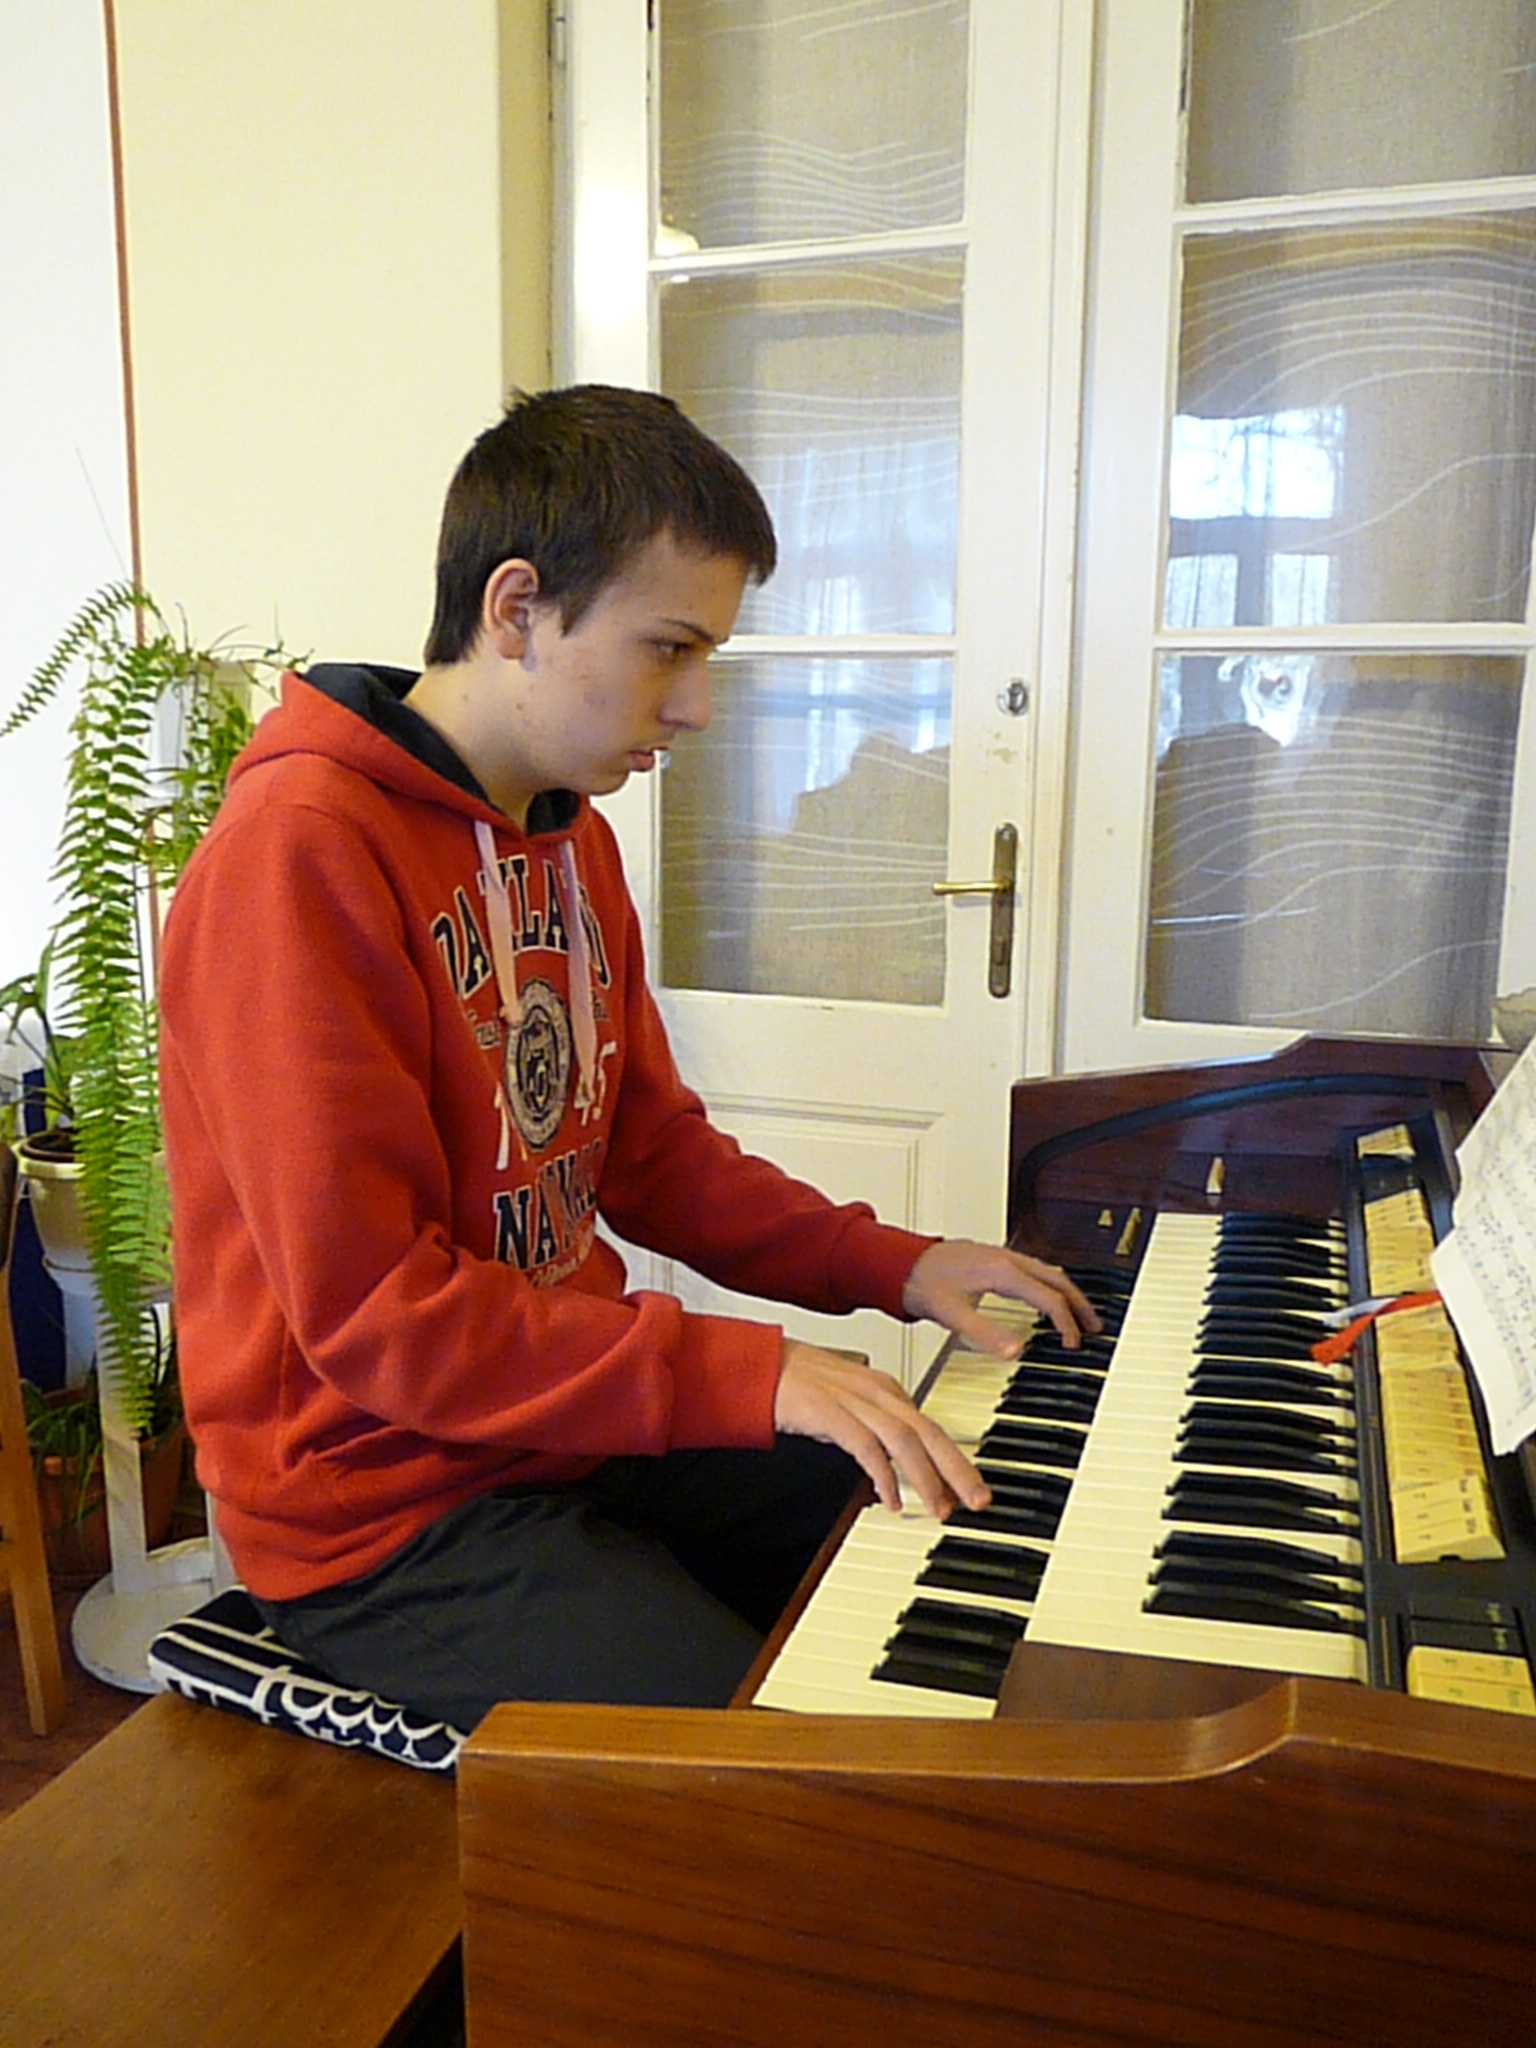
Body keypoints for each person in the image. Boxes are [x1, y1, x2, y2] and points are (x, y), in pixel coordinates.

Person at [158, 384, 1098, 1728]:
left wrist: (895, 1265)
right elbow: (379, 1318)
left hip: (562, 1429)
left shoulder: (569, 835)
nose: (697, 706)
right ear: (517, 610)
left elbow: (649, 1155)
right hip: (383, 1513)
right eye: (670, 649)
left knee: (959, 1518)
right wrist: (754, 1373)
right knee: (767, 1769)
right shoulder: (297, 857)